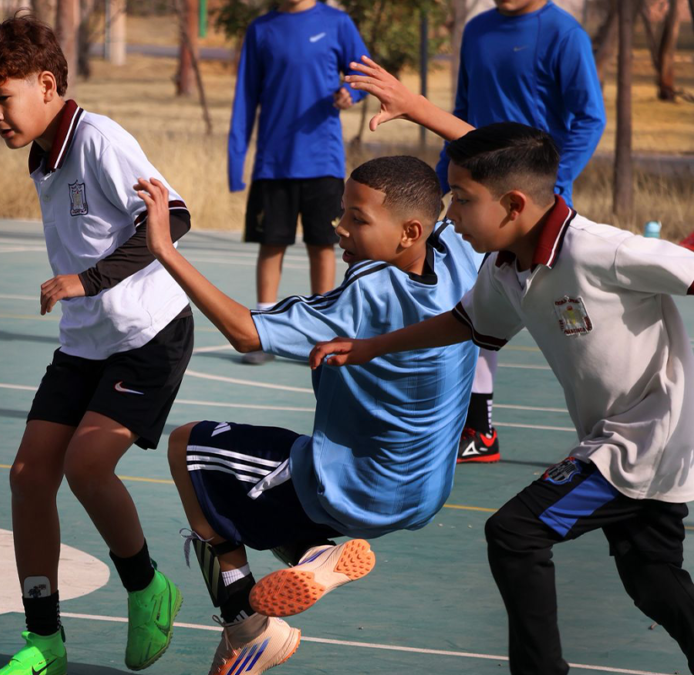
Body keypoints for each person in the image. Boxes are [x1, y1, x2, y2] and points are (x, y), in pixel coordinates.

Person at [325, 56, 694, 674]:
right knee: (654, 582)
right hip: (617, 438)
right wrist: (367, 347)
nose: (451, 216)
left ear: (514, 204)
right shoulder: (505, 267)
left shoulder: (600, 250)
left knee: (516, 534)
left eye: (462, 201)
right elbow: (465, 325)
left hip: (645, 439)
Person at [134, 153, 482, 674]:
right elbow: (497, 156)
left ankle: (246, 627)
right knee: (269, 477)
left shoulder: (363, 299)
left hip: (355, 487)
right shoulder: (462, 254)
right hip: (427, 491)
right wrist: (419, 111)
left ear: (410, 231)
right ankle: (310, 554)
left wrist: (164, 248)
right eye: (343, 212)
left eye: (358, 220)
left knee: (188, 445)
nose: (339, 228)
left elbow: (246, 332)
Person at [0, 16, 194, 675]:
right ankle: (45, 640)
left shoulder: (98, 139)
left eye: (2, 99)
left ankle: (149, 586)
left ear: (46, 84)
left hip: (149, 335)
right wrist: (81, 292)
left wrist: (85, 279)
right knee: (29, 476)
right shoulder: (44, 154)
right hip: (86, 341)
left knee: (89, 464)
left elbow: (173, 216)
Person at [439, 0, 606, 463]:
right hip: (480, 204)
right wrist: (441, 185)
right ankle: (479, 428)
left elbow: (590, 117)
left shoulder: (563, 33)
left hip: (533, 209)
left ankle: (606, 434)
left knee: (569, 320)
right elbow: (463, 114)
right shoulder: (476, 31)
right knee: (474, 306)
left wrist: (549, 183)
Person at [227, 0, 369, 364]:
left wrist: (349, 93)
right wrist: (235, 163)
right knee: (271, 244)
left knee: (322, 245)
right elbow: (245, 98)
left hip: (323, 161)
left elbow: (364, 76)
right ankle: (263, 331)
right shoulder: (262, 29)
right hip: (273, 164)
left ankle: (322, 330)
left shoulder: (337, 23)